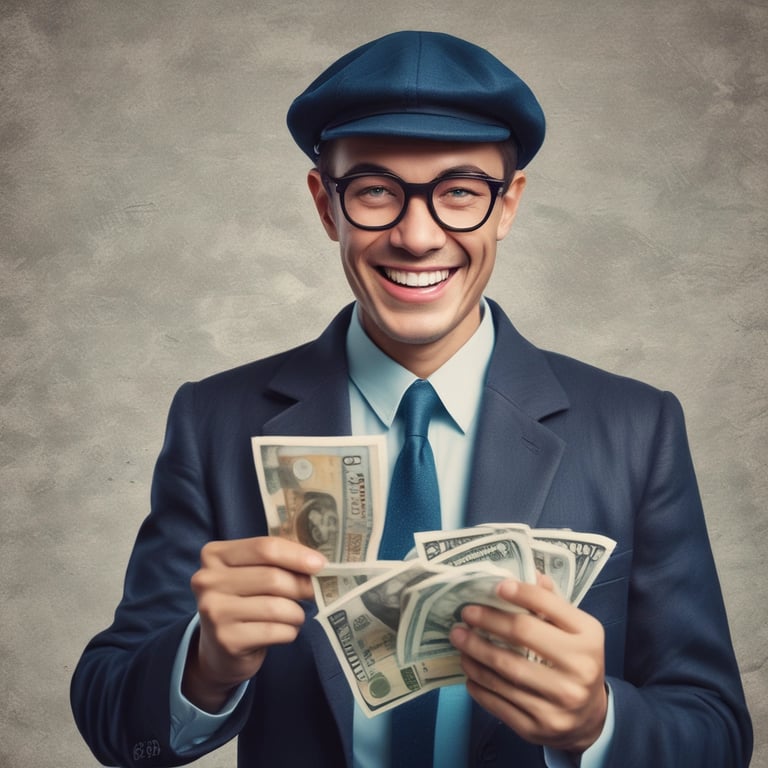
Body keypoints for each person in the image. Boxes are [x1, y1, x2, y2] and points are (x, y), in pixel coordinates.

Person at [71, 30, 753, 767]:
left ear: (508, 205)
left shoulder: (637, 429)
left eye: (459, 191)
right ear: (326, 205)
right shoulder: (215, 422)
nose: (418, 236)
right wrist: (202, 664)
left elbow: (715, 731)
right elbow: (113, 719)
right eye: (375, 191)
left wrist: (598, 723)